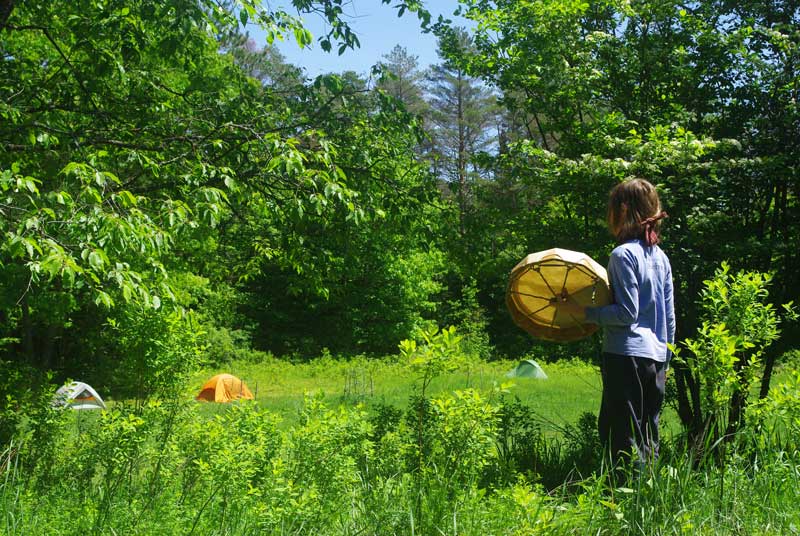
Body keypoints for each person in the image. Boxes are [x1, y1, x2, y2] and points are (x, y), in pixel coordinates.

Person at [561, 178, 675, 476]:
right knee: (648, 433)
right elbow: (670, 317)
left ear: (622, 209)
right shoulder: (660, 257)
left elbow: (626, 314)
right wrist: (665, 359)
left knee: (619, 433)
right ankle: (648, 499)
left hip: (625, 356)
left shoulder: (622, 255)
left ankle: (625, 502)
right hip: (656, 357)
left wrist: (584, 312)